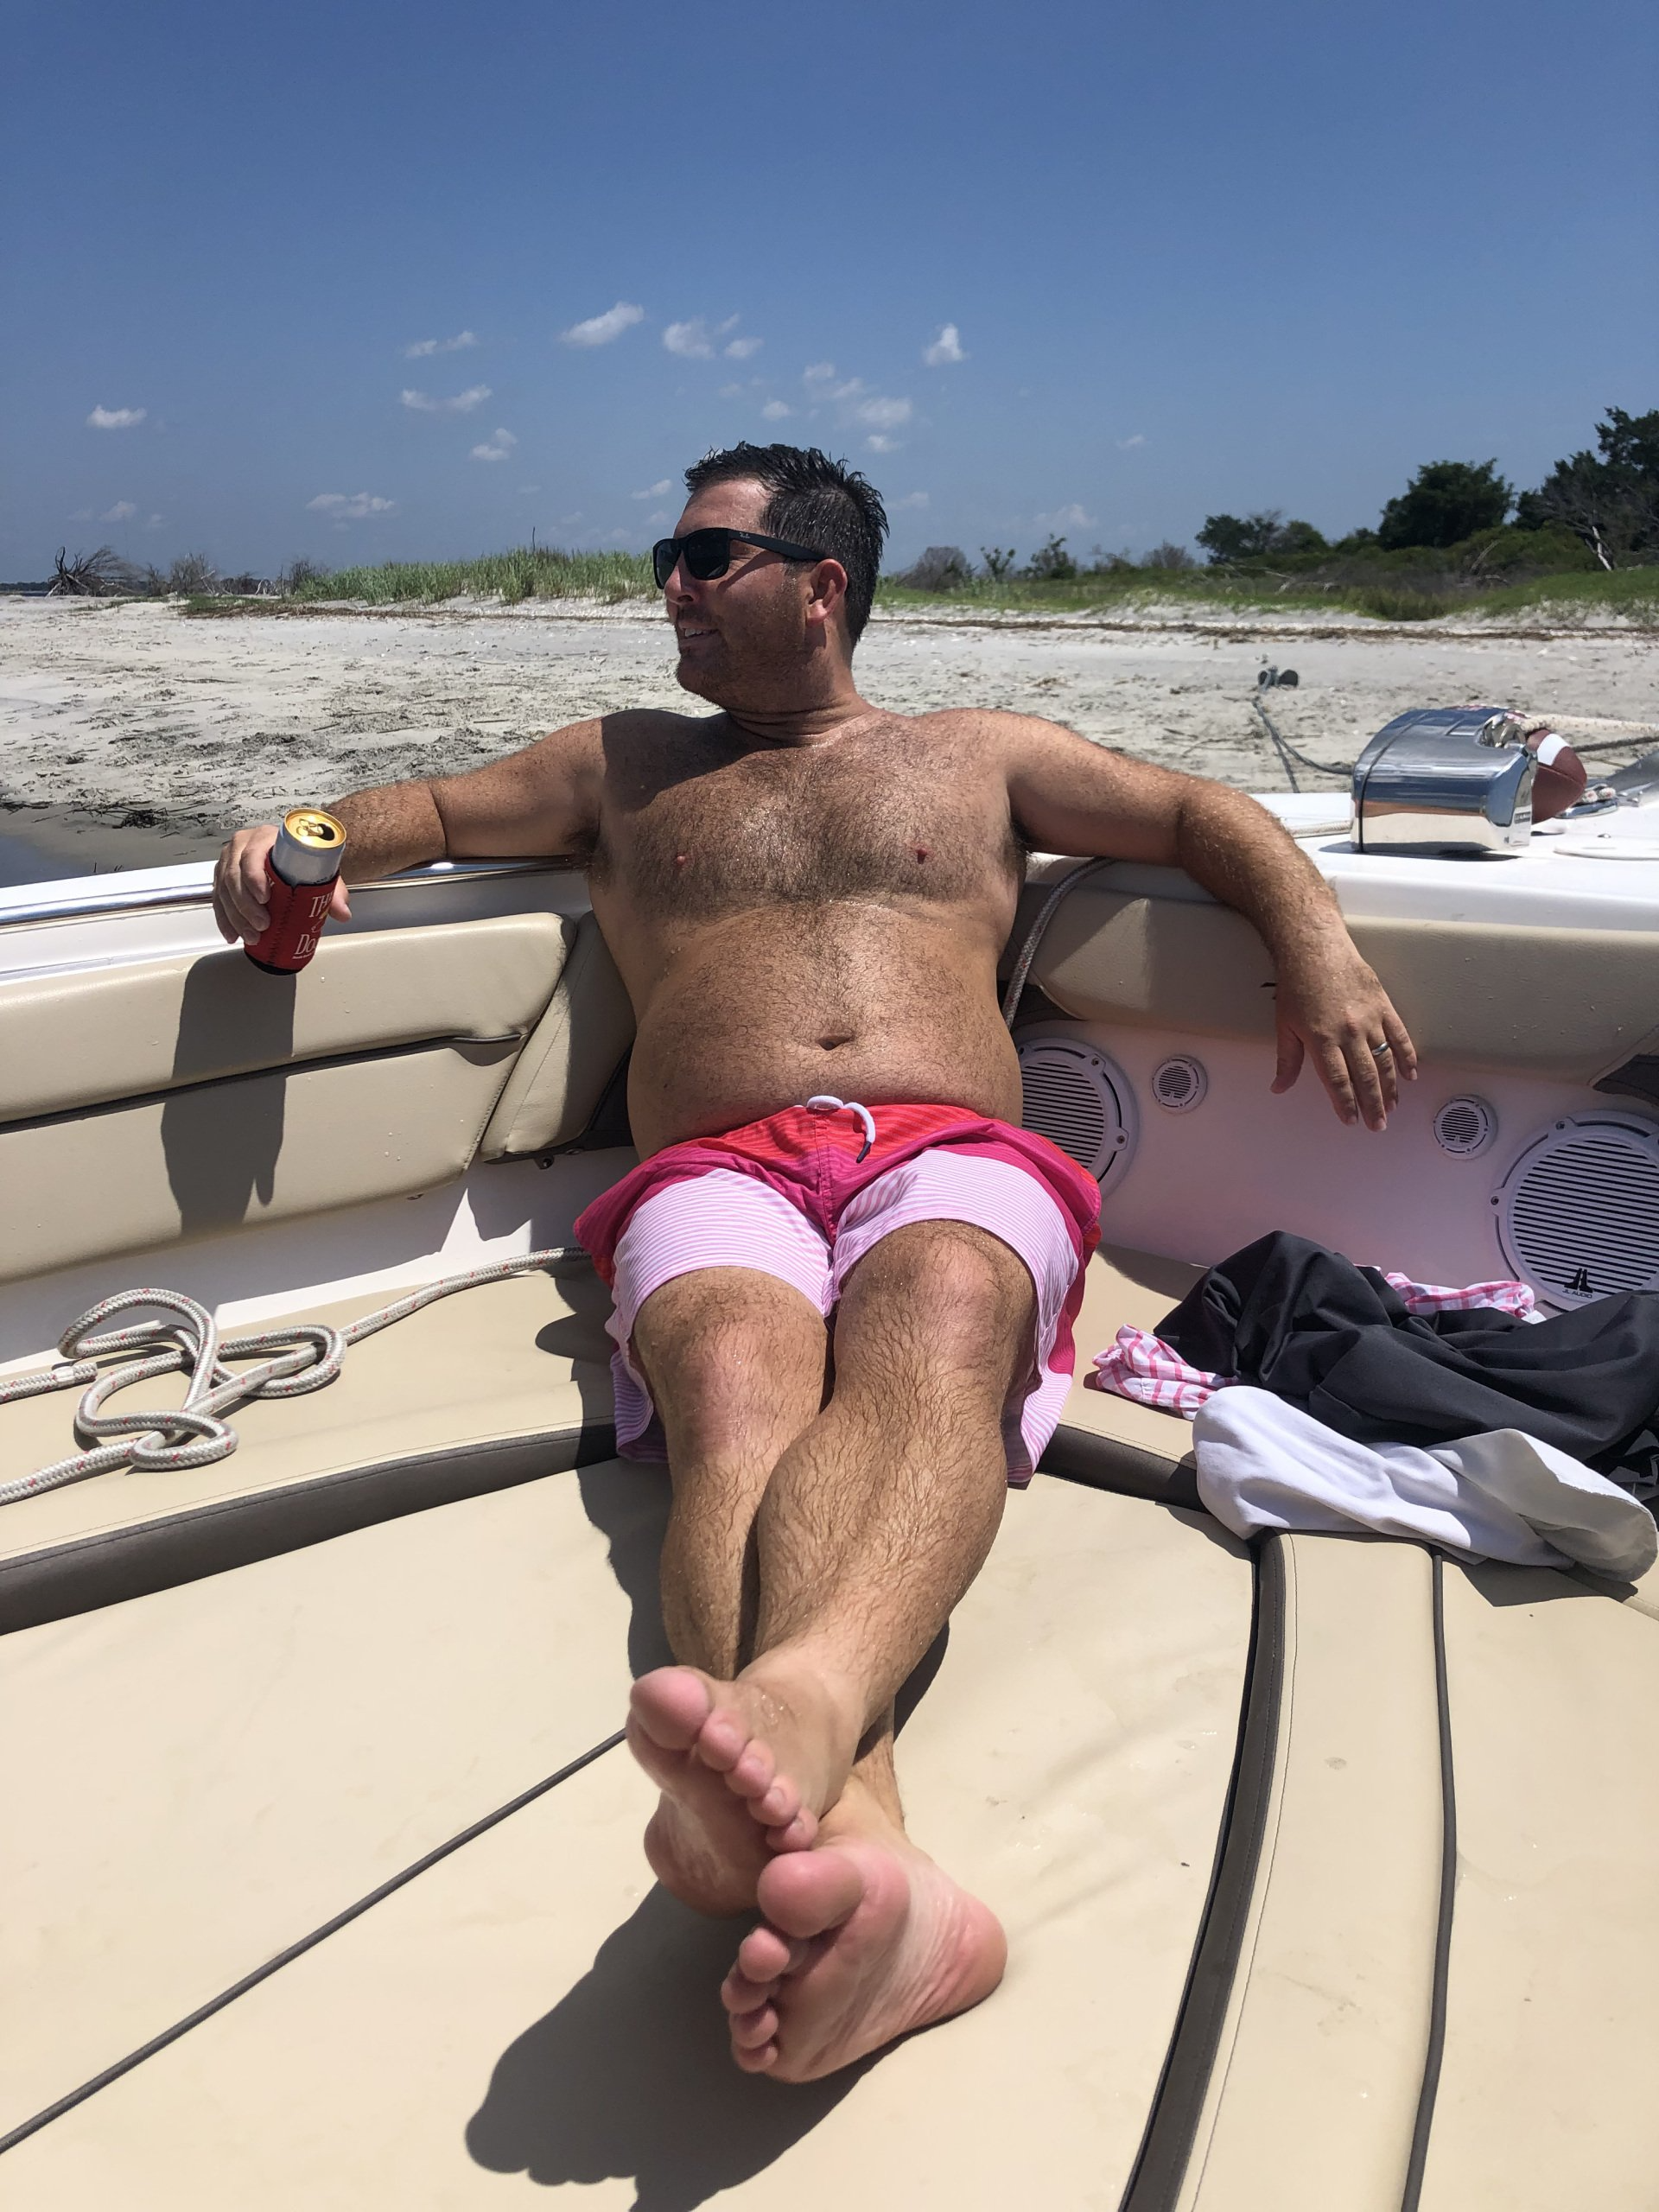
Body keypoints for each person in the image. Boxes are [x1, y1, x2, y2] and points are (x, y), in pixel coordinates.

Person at [214, 442, 1416, 2083]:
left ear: (819, 585)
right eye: (672, 559)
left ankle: (796, 1755)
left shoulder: (978, 756)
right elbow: (414, 813)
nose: (671, 591)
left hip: (948, 1151)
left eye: (704, 558)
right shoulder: (623, 767)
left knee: (946, 1308)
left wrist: (1315, 940)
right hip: (717, 1162)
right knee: (731, 1368)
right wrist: (299, 834)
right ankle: (864, 1849)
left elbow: (1202, 812)